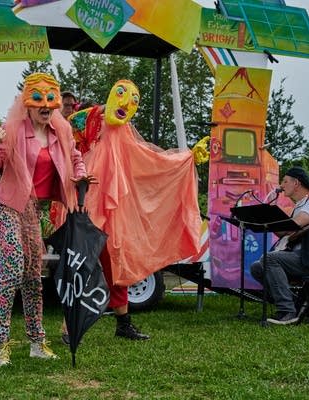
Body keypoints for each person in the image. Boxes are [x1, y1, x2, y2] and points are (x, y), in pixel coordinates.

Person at [68, 80, 201, 340]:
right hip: (86, 202)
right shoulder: (87, 118)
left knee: (116, 262)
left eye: (134, 101)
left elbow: (148, 158)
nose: (126, 103)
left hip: (114, 209)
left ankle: (123, 323)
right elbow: (65, 150)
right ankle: (68, 326)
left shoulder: (125, 131)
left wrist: (187, 158)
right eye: (121, 94)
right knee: (80, 263)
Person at [0, 72, 94, 366]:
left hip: (33, 210)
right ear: (27, 103)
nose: (46, 106)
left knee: (33, 275)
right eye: (39, 100)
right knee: (14, 268)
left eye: (50, 100)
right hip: (5, 206)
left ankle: (36, 341)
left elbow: (75, 157)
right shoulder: (13, 130)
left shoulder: (60, 131)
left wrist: (80, 175)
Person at [250, 166, 309, 325]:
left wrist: (273, 220)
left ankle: (287, 312)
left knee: (269, 259)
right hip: (295, 255)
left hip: (305, 257)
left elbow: (295, 226)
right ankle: (294, 304)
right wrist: (266, 219)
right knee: (257, 267)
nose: (281, 185)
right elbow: (285, 233)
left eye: (285, 181)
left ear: (296, 183)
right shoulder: (299, 205)